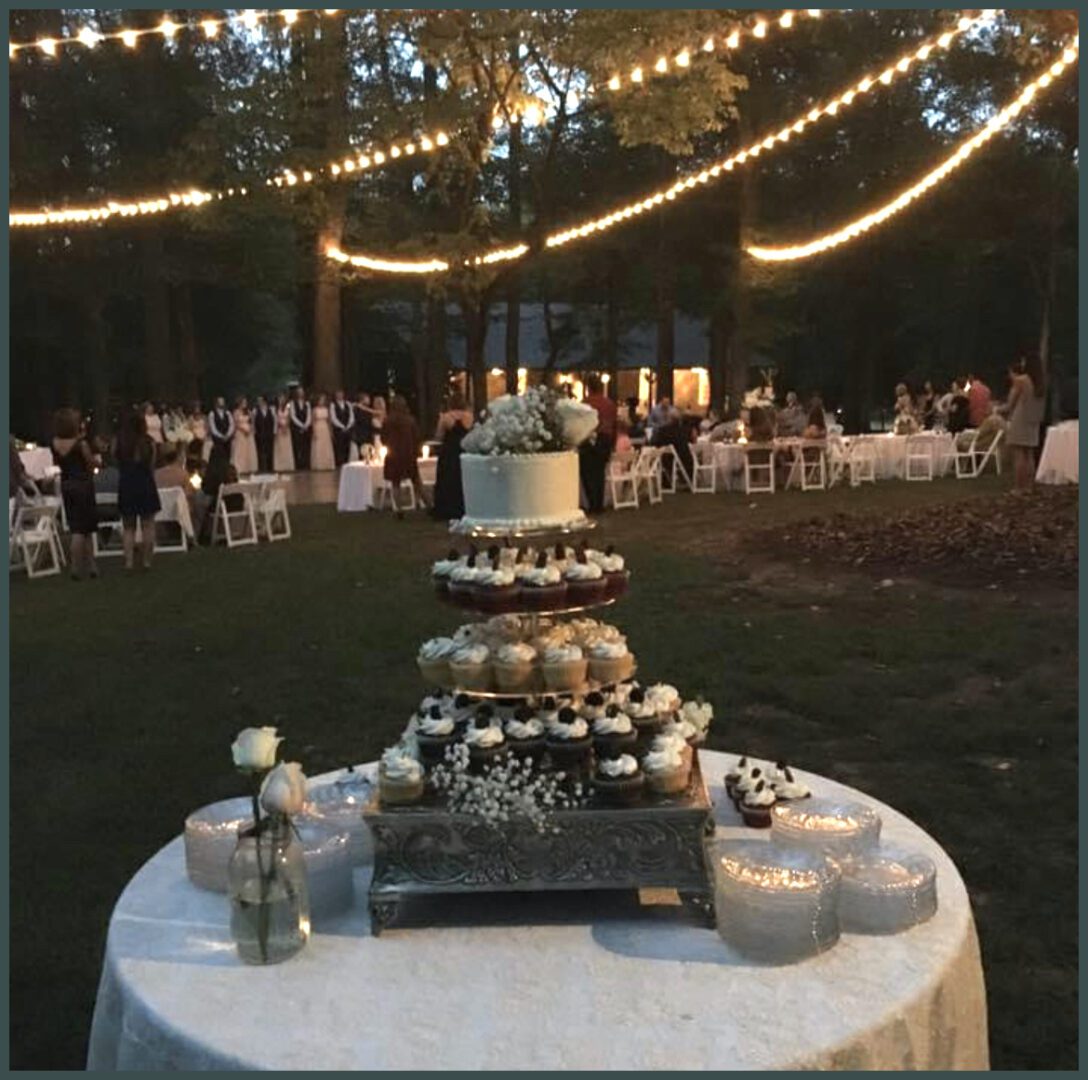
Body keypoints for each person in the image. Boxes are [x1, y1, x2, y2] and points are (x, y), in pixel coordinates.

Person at [51, 408, 100, 580]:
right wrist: (97, 462)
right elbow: (90, 462)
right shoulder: (81, 445)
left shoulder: (55, 443)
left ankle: (91, 566)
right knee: (82, 529)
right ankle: (76, 567)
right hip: (83, 485)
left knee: (77, 525)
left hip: (67, 484)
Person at [115, 408, 162, 571]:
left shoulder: (120, 442)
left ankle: (128, 562)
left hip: (127, 483)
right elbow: (152, 465)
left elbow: (117, 462)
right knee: (148, 524)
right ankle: (147, 561)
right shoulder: (149, 442)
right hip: (145, 482)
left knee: (128, 527)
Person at [1003, 354, 1047, 492]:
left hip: (1021, 417)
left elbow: (1011, 402)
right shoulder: (1042, 381)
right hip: (1034, 418)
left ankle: (1018, 486)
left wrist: (998, 409)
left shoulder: (1021, 380)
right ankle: (1028, 486)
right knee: (1029, 453)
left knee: (1019, 454)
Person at [430, 391, 474, 521]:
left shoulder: (445, 417)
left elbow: (439, 436)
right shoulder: (469, 417)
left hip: (449, 452)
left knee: (447, 479)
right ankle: (463, 507)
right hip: (464, 450)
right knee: (462, 479)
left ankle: (446, 509)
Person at [382, 395, 424, 515]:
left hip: (393, 455)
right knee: (416, 481)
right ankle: (428, 503)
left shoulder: (388, 421)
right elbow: (417, 436)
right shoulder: (410, 420)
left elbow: (383, 438)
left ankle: (399, 509)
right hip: (408, 454)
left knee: (396, 483)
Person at [580, 375, 617, 514]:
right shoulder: (609, 404)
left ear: (589, 387)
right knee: (599, 474)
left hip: (589, 441)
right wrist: (612, 443)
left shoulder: (585, 403)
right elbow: (614, 425)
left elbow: (581, 424)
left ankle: (591, 503)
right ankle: (599, 504)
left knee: (586, 473)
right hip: (605, 440)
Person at [231, 396, 258, 476]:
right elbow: (235, 423)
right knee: (240, 452)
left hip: (248, 434)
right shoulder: (236, 412)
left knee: (249, 451)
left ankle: (250, 468)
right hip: (240, 433)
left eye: (245, 402)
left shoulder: (249, 412)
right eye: (243, 402)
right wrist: (243, 429)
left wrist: (250, 430)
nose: (244, 404)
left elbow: (252, 422)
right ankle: (240, 468)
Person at [207, 396, 235, 469]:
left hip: (227, 439)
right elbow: (213, 427)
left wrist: (228, 435)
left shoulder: (228, 413)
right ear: (216, 403)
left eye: (223, 401)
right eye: (220, 401)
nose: (222, 403)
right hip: (217, 439)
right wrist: (221, 436)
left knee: (227, 455)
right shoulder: (212, 414)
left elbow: (232, 424)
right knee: (218, 455)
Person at [310, 393, 336, 471]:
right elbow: (313, 421)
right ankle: (319, 465)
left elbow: (329, 421)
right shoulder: (314, 410)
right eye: (321, 400)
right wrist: (314, 432)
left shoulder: (327, 409)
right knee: (318, 446)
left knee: (326, 446)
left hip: (325, 429)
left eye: (323, 400)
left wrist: (331, 431)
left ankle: (327, 464)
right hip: (318, 428)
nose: (322, 401)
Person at [330, 389, 354, 468]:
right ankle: (340, 463)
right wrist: (341, 426)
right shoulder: (333, 405)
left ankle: (346, 462)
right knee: (339, 447)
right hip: (338, 429)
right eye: (338, 394)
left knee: (347, 446)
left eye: (341, 394)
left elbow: (351, 417)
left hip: (348, 429)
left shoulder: (348, 404)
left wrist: (348, 425)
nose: (340, 395)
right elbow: (333, 418)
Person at [289, 386, 312, 470]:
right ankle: (298, 464)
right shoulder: (292, 403)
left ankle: (306, 463)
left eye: (302, 392)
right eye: (299, 392)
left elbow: (309, 415)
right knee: (297, 446)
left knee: (305, 446)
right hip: (296, 428)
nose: (300, 393)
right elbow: (293, 416)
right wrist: (301, 425)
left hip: (306, 428)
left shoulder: (307, 403)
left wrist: (306, 425)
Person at [253, 395, 276, 474]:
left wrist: (274, 432)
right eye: (258, 401)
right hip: (260, 434)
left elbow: (274, 421)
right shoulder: (255, 411)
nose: (259, 402)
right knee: (261, 452)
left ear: (264, 401)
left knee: (270, 452)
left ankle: (270, 468)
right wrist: (255, 432)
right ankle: (262, 469)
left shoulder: (271, 409)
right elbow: (253, 422)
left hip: (269, 434)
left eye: (260, 400)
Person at [273, 393, 295, 472]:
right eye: (280, 399)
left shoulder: (288, 408)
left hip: (286, 430)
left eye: (282, 398)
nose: (281, 400)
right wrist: (280, 426)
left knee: (287, 447)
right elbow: (276, 420)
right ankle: (280, 466)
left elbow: (289, 418)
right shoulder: (275, 409)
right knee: (280, 448)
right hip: (279, 430)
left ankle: (288, 465)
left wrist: (286, 426)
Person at [353, 392, 375, 456]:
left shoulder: (367, 408)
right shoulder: (357, 409)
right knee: (363, 452)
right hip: (361, 434)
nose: (369, 400)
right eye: (367, 399)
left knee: (369, 452)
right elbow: (360, 420)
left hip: (368, 433)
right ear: (362, 399)